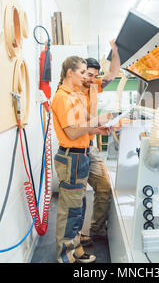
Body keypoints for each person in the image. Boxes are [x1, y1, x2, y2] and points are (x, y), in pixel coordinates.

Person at [51, 56, 111, 263]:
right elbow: (72, 132)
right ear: (70, 72)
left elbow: (82, 125)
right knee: (69, 210)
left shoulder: (74, 96)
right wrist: (96, 120)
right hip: (72, 157)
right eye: (83, 72)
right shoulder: (62, 97)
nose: (87, 76)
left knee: (76, 209)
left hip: (81, 156)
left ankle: (75, 248)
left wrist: (97, 128)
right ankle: (65, 256)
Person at [79, 40, 121, 247]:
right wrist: (98, 123)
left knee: (104, 186)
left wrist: (115, 51)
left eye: (95, 75)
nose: (92, 79)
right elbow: (78, 123)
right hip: (75, 151)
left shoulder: (95, 86)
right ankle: (73, 240)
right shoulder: (73, 93)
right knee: (76, 199)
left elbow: (113, 73)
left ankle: (96, 230)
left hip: (90, 147)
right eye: (88, 74)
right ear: (80, 73)